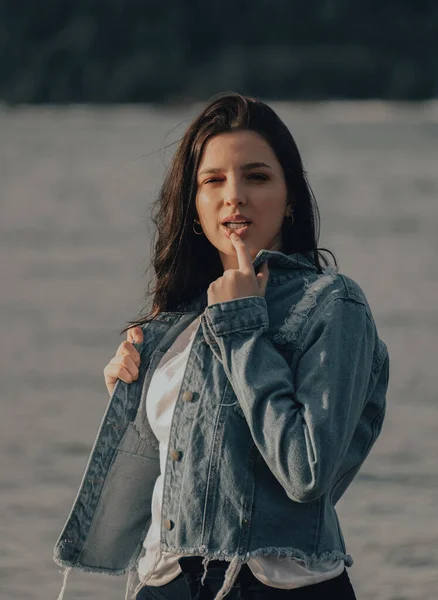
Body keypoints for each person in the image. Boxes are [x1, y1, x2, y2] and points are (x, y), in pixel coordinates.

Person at [53, 92, 390, 600]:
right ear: (193, 203)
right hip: (163, 581)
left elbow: (307, 471)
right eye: (213, 180)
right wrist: (137, 395)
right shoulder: (177, 318)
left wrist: (241, 326)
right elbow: (191, 469)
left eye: (256, 177)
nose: (234, 196)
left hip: (276, 586)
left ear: (290, 196)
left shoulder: (333, 304)